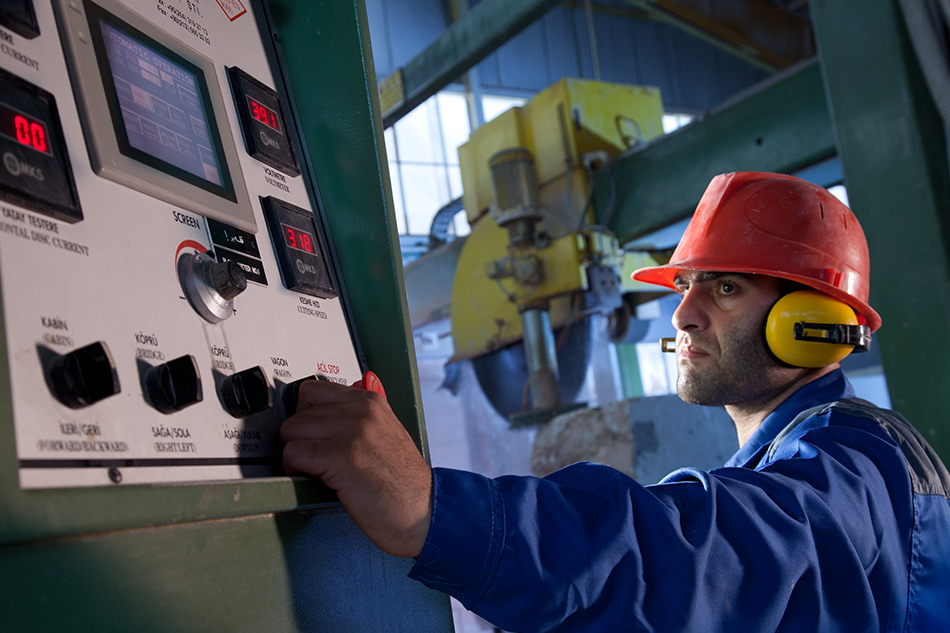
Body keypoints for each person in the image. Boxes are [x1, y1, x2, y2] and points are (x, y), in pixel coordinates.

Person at [281, 172, 950, 631]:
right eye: (685, 285)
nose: (680, 314)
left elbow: (700, 559)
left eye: (723, 290)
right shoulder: (800, 457)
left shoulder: (853, 465)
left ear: (812, 322)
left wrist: (433, 509)